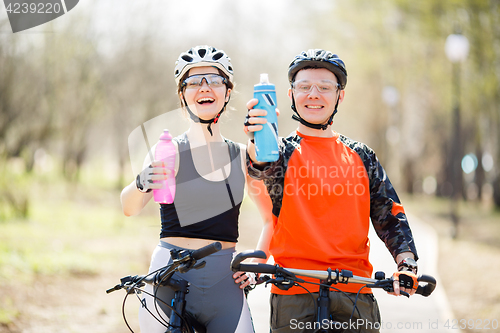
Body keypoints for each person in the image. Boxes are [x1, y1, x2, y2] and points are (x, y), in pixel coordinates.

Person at [244, 49, 419, 333]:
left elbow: (390, 215)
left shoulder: (362, 156)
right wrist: (256, 137)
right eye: (304, 87)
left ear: (340, 96)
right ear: (290, 95)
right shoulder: (280, 152)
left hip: (355, 293)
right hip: (294, 293)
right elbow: (259, 165)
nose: (314, 94)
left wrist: (406, 264)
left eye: (325, 87)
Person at [121, 45, 266, 333]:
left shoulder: (242, 155)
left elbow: (271, 217)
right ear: (182, 95)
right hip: (168, 278)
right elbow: (129, 207)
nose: (204, 87)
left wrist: (257, 260)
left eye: (214, 80)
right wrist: (142, 181)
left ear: (227, 92)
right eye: (193, 81)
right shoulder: (167, 150)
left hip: (225, 283)